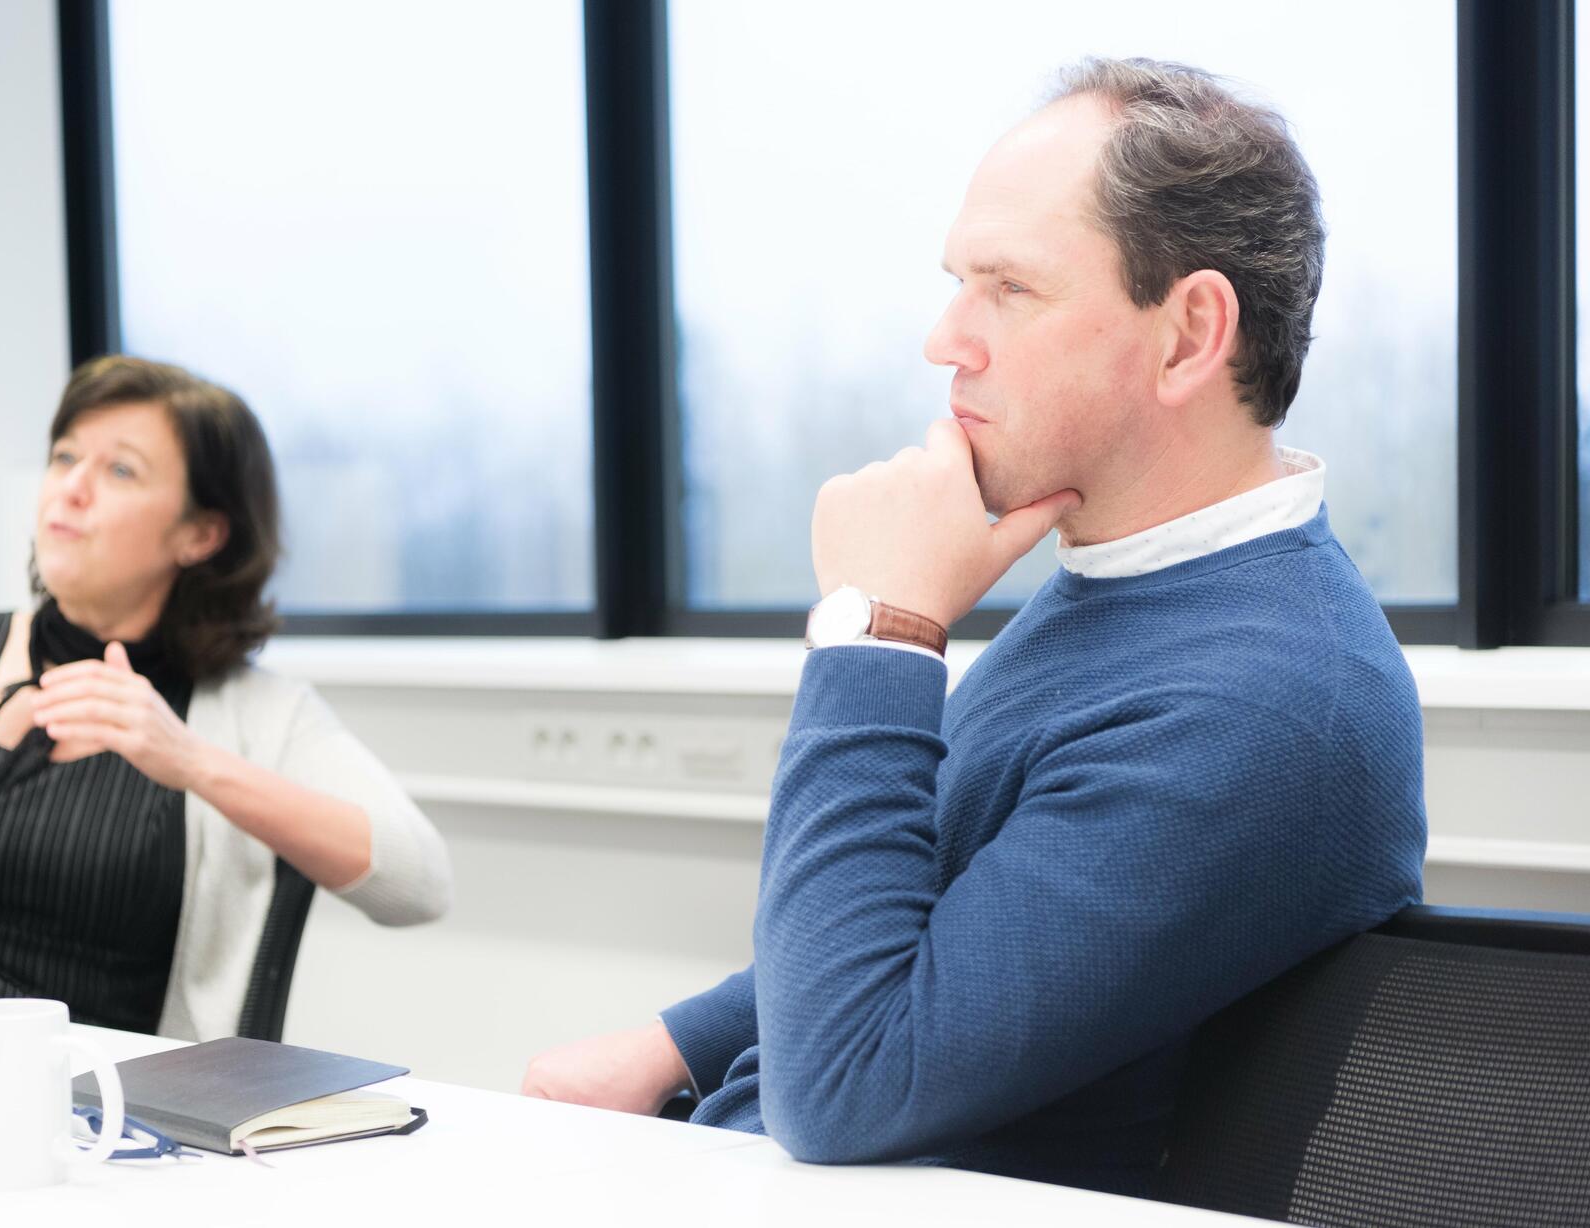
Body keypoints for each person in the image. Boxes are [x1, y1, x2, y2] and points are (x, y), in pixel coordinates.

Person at [521, 57, 1426, 1196]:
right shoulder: (1131, 589)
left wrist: (880, 633)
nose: (946, 338)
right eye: (958, 281)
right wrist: (675, 1043)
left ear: (1189, 333)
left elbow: (848, 1086)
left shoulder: (1272, 696)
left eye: (1009, 287)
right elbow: (958, 891)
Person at [0, 356, 453, 1038]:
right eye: (64, 457)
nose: (71, 488)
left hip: (105, 1120)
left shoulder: (255, 714)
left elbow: (418, 885)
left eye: (119, 469)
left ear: (200, 533)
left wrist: (192, 764)